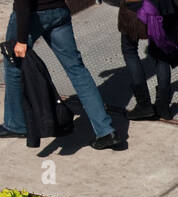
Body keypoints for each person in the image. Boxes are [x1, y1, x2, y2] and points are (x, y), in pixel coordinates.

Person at [1, 0, 122, 149]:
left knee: (14, 67)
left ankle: (16, 124)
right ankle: (106, 131)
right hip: (59, 11)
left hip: (33, 14)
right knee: (76, 70)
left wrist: (21, 39)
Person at [117, 0, 178, 121]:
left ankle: (144, 105)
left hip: (136, 9)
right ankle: (163, 106)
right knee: (161, 53)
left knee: (129, 50)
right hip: (161, 6)